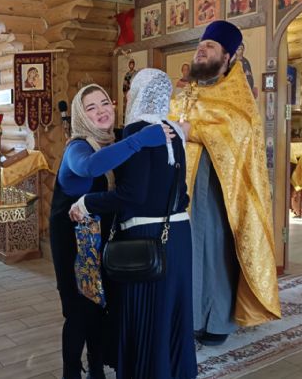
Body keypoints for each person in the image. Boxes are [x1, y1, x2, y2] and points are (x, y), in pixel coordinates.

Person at [69, 70, 196, 379]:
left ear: (138, 94)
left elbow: (132, 195)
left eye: (129, 91)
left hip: (147, 236)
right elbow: (181, 192)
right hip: (179, 233)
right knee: (172, 313)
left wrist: (87, 203)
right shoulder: (172, 130)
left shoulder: (137, 131)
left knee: (147, 316)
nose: (125, 97)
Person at [169, 20, 281, 346]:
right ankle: (189, 319)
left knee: (215, 252)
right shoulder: (188, 92)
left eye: (210, 47)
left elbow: (239, 129)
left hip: (218, 191)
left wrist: (192, 130)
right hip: (182, 188)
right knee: (186, 251)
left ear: (227, 57)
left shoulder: (237, 95)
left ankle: (217, 322)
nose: (201, 51)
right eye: (200, 46)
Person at [49, 83, 171, 379]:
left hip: (104, 237)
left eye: (105, 103)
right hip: (73, 242)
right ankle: (70, 374)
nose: (101, 111)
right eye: (91, 108)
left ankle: (96, 369)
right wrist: (141, 139)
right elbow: (90, 167)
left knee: (101, 305)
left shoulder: (114, 140)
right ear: (81, 116)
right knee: (79, 309)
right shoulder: (78, 146)